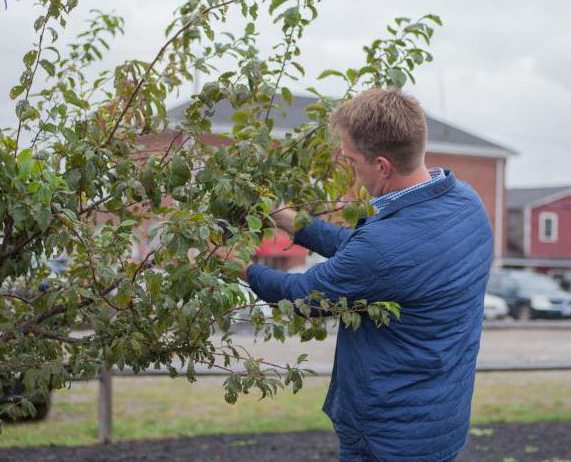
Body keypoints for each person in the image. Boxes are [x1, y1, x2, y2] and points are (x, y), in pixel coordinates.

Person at [211, 88, 493, 462]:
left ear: (381, 165)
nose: (350, 169)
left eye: (351, 160)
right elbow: (366, 253)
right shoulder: (464, 202)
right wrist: (286, 217)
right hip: (440, 420)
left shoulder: (386, 244)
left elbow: (304, 294)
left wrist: (241, 267)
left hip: (387, 436)